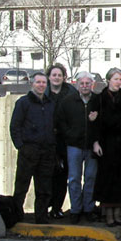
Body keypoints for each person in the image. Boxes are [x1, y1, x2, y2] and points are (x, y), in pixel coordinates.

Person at [9, 72, 55, 224]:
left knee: (44, 188)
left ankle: (41, 217)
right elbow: (15, 126)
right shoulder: (23, 103)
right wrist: (21, 146)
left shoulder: (50, 104)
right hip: (29, 151)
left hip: (47, 151)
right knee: (22, 186)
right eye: (38, 82)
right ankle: (16, 216)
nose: (41, 85)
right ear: (32, 84)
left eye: (43, 82)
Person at [92, 68, 121, 226]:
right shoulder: (100, 99)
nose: (118, 82)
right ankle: (108, 216)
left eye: (120, 79)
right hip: (106, 145)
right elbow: (94, 124)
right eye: (115, 79)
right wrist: (95, 142)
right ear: (108, 80)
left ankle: (118, 215)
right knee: (107, 181)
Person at [56, 71, 99, 224]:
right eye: (82, 83)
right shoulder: (68, 101)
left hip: (91, 146)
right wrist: (70, 135)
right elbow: (61, 122)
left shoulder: (97, 100)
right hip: (74, 146)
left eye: (88, 83)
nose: (85, 86)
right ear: (77, 84)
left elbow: (103, 122)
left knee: (90, 178)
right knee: (74, 178)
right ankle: (75, 210)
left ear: (92, 85)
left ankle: (88, 209)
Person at [46, 63, 77, 220]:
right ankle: (44, 206)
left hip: (64, 141)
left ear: (64, 77)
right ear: (49, 77)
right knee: (46, 175)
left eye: (59, 75)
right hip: (47, 141)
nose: (56, 77)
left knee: (62, 176)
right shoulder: (43, 95)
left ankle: (57, 207)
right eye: (54, 75)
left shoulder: (71, 94)